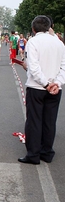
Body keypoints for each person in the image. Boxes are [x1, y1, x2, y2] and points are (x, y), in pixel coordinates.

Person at [18, 15, 65, 165]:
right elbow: (63, 67)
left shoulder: (33, 42)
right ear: (49, 27)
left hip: (37, 87)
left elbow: (34, 67)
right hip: (55, 88)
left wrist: (45, 84)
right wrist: (56, 83)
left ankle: (33, 154)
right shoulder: (59, 43)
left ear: (33, 28)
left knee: (34, 120)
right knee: (49, 121)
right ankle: (47, 151)